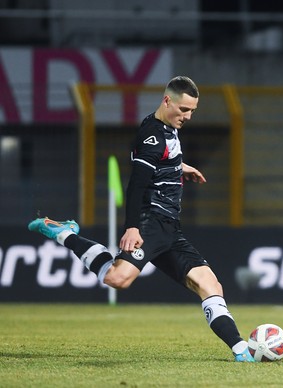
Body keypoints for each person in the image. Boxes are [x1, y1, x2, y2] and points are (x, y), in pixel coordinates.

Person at [28, 76, 255, 362]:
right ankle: (64, 233)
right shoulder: (153, 135)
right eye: (183, 109)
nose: (187, 116)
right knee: (118, 278)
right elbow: (136, 184)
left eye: (192, 111)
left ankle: (241, 350)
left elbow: (163, 158)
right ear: (167, 100)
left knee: (210, 285)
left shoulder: (167, 129)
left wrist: (179, 168)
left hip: (171, 228)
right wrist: (132, 226)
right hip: (150, 222)